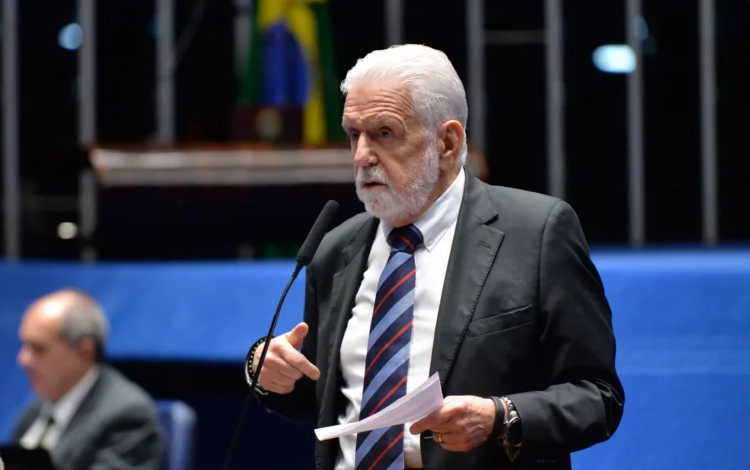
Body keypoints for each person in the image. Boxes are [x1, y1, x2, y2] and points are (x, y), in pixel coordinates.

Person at [245, 44, 624, 470]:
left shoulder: (536, 233)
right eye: (353, 134)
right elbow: (323, 398)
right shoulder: (335, 248)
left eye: (384, 133)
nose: (362, 155)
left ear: (447, 141)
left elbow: (597, 397)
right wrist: (267, 369)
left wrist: (500, 417)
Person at [11, 289, 166, 470]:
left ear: (85, 350)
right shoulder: (34, 412)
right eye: (24, 346)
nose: (23, 359)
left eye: (38, 348)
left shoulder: (128, 416)